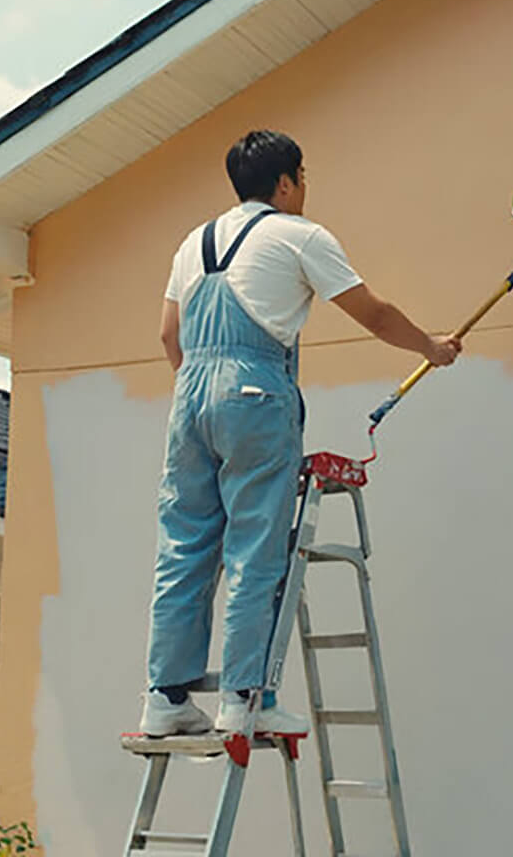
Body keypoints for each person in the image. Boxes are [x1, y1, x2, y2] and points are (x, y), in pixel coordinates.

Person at [139, 130, 462, 737]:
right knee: (256, 546)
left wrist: (201, 390)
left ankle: (165, 699)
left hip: (189, 398)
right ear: (285, 183)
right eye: (303, 176)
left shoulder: (193, 243)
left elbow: (167, 336)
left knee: (184, 548)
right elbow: (374, 313)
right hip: (254, 393)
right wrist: (430, 347)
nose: (305, 187)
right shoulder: (299, 236)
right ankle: (244, 699)